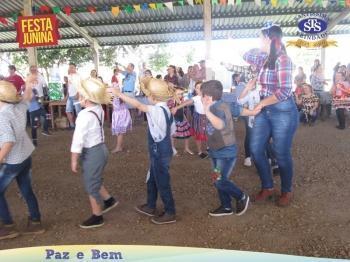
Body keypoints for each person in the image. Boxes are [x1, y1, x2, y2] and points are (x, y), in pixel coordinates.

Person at [243, 22, 299, 207]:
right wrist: (264, 51)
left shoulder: (283, 60)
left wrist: (261, 103)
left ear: (268, 38)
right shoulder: (263, 58)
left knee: (281, 153)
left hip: (282, 110)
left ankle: (287, 190)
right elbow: (245, 54)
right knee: (256, 149)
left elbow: (283, 91)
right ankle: (267, 186)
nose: (258, 40)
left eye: (261, 37)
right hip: (265, 109)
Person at [108, 77, 177, 225]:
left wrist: (119, 94)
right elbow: (172, 132)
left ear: (152, 97)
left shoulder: (157, 110)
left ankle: (170, 211)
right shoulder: (167, 110)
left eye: (148, 96)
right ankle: (150, 205)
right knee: (152, 178)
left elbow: (139, 105)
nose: (146, 98)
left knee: (162, 181)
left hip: (159, 151)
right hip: (161, 150)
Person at [201, 80, 257, 216]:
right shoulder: (223, 103)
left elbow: (220, 125)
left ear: (208, 97)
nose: (200, 97)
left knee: (219, 180)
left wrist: (206, 111)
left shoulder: (216, 108)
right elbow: (239, 109)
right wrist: (253, 111)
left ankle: (241, 196)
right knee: (218, 179)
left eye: (202, 94)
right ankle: (226, 206)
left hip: (225, 152)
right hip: (215, 150)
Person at [0, 79, 45, 240]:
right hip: (25, 156)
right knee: (26, 189)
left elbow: (8, 140)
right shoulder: (17, 107)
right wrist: (28, 84)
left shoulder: (2, 116)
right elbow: (27, 96)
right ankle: (35, 221)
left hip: (12, 162)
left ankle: (8, 226)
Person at [71, 78, 118, 229]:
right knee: (94, 178)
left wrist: (73, 159)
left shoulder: (84, 115)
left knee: (91, 183)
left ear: (86, 98)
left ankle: (97, 216)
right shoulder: (98, 108)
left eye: (81, 95)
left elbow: (78, 140)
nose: (79, 97)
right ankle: (109, 200)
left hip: (92, 152)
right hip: (101, 150)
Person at [172, 81, 208, 159]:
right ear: (195, 89)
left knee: (209, 134)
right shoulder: (195, 98)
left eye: (201, 87)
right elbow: (186, 103)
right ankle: (200, 151)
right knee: (199, 135)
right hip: (199, 119)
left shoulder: (209, 97)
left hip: (208, 118)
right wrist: (176, 107)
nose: (200, 90)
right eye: (198, 88)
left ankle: (208, 148)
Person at [167, 86, 193, 156]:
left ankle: (186, 148)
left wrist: (185, 118)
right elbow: (170, 112)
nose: (180, 95)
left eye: (181, 94)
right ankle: (172, 149)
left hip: (182, 119)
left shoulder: (182, 100)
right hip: (174, 120)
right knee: (173, 135)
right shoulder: (171, 101)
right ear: (174, 93)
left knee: (187, 134)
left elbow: (181, 111)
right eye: (178, 94)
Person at [111, 85, 132, 153]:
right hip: (119, 115)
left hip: (120, 116)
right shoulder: (117, 97)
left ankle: (118, 147)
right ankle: (119, 146)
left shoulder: (118, 97)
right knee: (119, 132)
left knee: (119, 132)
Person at [66, 63, 82, 129]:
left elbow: (81, 86)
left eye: (72, 67)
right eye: (70, 67)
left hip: (76, 96)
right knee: (68, 111)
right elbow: (68, 87)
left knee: (78, 112)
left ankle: (80, 126)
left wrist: (78, 94)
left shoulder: (78, 76)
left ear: (75, 68)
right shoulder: (69, 76)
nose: (71, 69)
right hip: (70, 97)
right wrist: (67, 96)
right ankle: (72, 125)